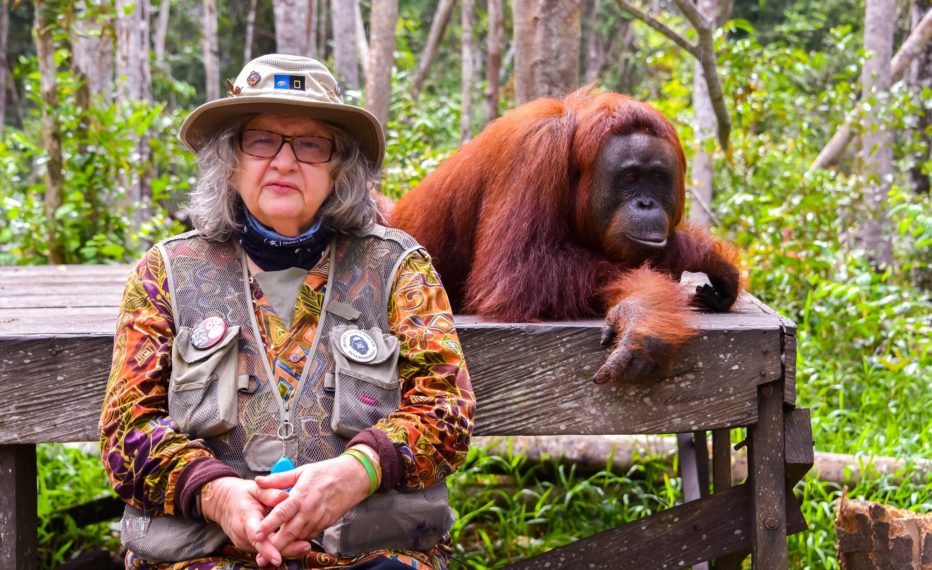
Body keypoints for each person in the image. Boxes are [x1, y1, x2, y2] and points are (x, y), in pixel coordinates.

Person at [99, 54, 475, 569]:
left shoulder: (398, 269)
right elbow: (126, 428)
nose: (283, 161)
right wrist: (218, 496)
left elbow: (446, 410)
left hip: (368, 556)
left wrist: (355, 472)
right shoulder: (166, 271)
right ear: (229, 158)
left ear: (340, 165)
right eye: (261, 140)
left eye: (310, 144)